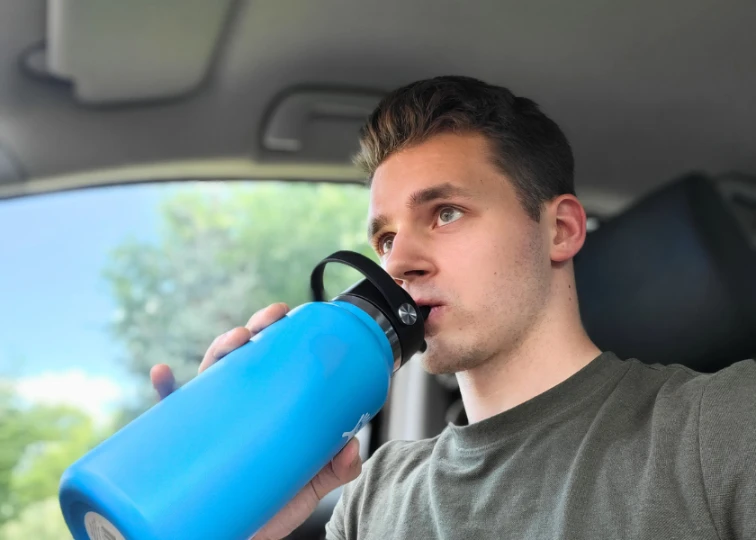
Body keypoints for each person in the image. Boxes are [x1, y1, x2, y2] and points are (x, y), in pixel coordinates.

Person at [150, 76, 756, 539]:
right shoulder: (373, 496)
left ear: (561, 230)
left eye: (445, 213)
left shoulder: (719, 425)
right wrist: (225, 503)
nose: (398, 262)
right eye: (385, 239)